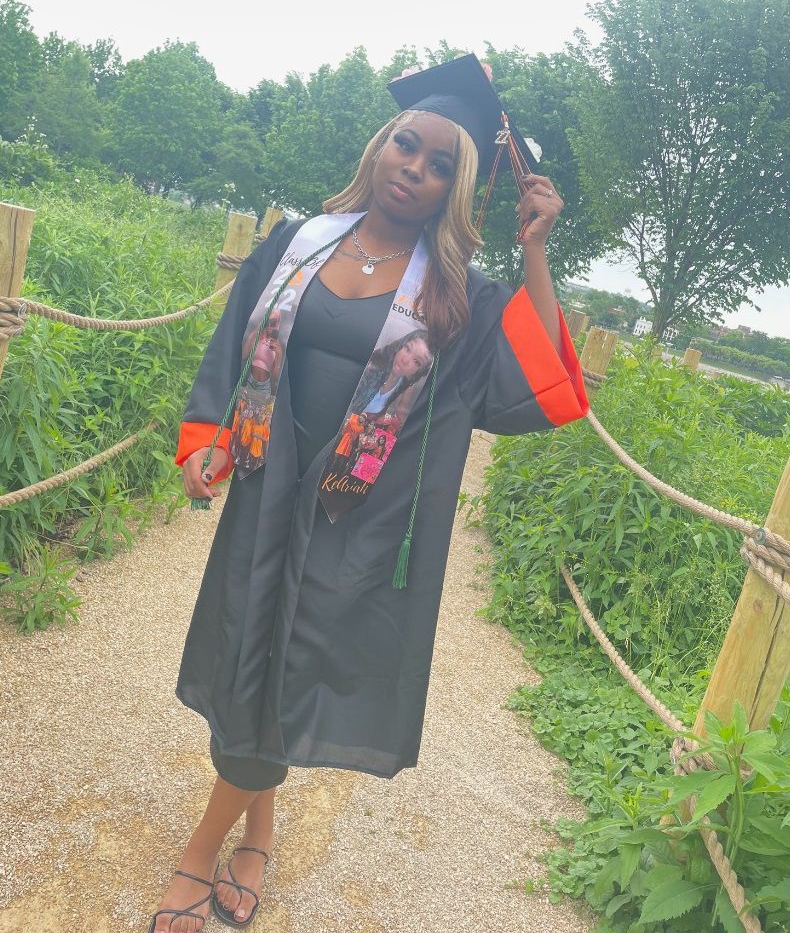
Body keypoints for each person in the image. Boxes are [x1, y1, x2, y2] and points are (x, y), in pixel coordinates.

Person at [151, 54, 589, 932]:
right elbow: (234, 341)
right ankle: (259, 829)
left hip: (357, 512)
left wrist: (536, 249)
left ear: (452, 191)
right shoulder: (297, 241)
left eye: (437, 167)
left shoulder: (459, 298)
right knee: (251, 656)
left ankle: (201, 851)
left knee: (292, 668)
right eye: (406, 145)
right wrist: (206, 438)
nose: (413, 169)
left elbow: (545, 393)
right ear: (381, 142)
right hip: (268, 482)